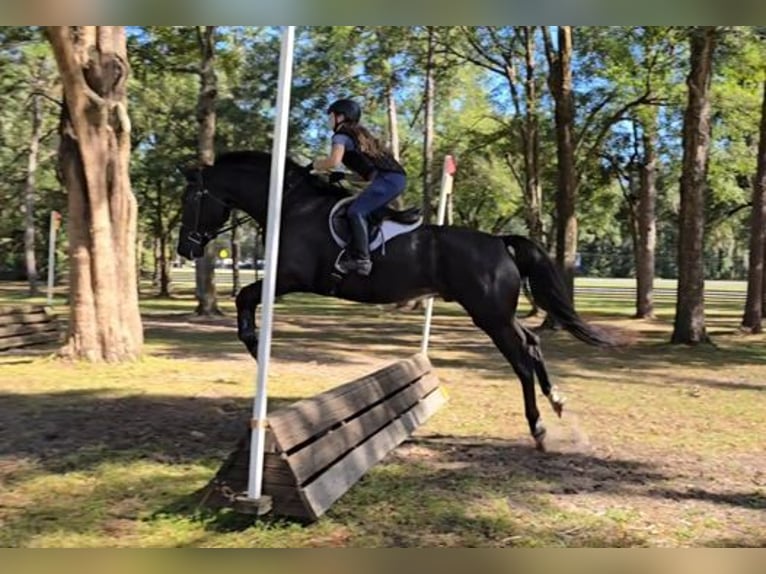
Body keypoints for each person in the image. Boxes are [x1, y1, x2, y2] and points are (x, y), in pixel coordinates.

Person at [310, 98, 407, 276]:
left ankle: (362, 260)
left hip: (388, 179)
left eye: (330, 116)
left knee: (356, 212)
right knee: (362, 209)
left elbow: (333, 161)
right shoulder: (359, 136)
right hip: (394, 179)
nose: (328, 120)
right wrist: (343, 176)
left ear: (340, 117)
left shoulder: (340, 135)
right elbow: (368, 175)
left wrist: (313, 165)